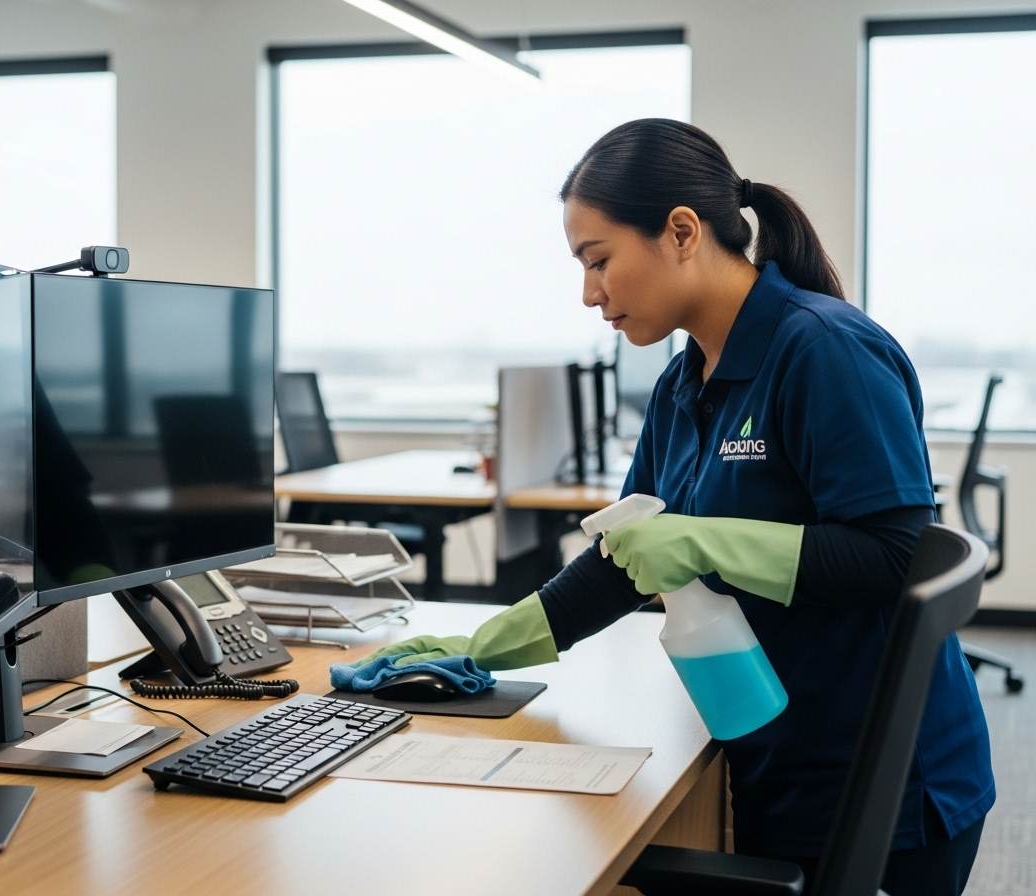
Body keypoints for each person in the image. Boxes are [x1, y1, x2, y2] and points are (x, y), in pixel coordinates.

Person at [357, 119, 993, 895]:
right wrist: (486, 644)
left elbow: (893, 556)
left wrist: (704, 542)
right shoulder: (683, 382)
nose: (589, 293)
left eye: (599, 261)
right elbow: (624, 559)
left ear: (681, 232)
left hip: (881, 786)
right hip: (772, 755)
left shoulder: (824, 350)